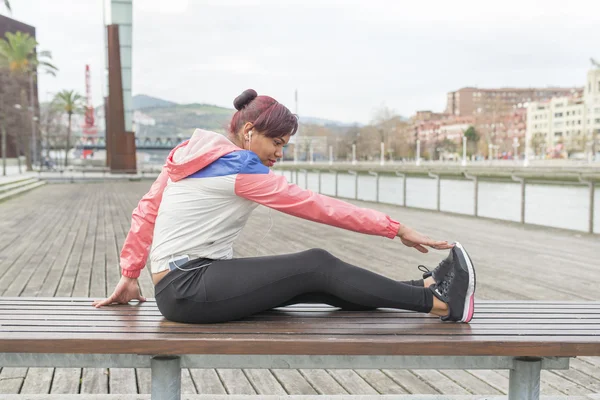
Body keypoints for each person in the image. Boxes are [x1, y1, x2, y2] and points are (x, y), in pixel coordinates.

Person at [93, 89, 476, 324]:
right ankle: (439, 304)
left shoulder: (191, 156)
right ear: (248, 132)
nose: (279, 152)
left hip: (185, 285)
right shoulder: (241, 169)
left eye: (285, 145)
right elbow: (314, 205)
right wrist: (395, 228)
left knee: (319, 286)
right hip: (189, 289)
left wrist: (130, 274)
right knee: (316, 263)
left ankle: (418, 287)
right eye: (275, 141)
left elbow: (146, 209)